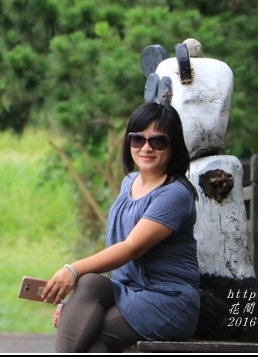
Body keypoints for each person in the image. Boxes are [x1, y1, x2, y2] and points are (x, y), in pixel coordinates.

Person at [41, 101, 200, 353]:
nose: (146, 148)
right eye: (138, 139)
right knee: (90, 283)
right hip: (128, 292)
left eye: (158, 141)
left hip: (167, 301)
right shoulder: (129, 182)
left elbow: (131, 248)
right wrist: (74, 307)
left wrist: (72, 270)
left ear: (173, 147)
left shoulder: (174, 194)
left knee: (91, 333)